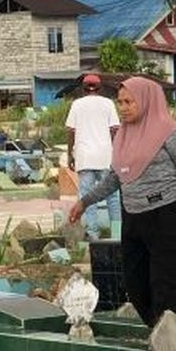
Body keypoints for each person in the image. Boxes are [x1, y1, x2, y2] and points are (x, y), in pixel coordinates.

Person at [68, 77, 176, 328]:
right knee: (135, 285)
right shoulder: (124, 135)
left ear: (146, 101)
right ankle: (160, 333)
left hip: (167, 215)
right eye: (120, 102)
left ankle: (167, 347)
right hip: (134, 216)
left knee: (164, 285)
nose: (123, 107)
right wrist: (84, 202)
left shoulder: (170, 130)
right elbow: (115, 177)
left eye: (129, 101)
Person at [65, 74, 121, 241]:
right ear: (100, 87)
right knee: (112, 197)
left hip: (84, 157)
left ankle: (93, 234)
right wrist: (117, 153)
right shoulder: (108, 103)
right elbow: (114, 130)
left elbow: (70, 131)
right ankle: (117, 234)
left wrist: (70, 154)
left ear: (83, 88)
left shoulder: (77, 104)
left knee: (87, 198)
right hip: (105, 156)